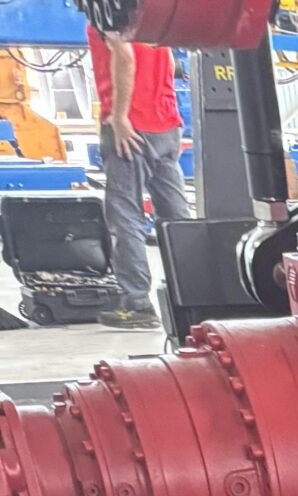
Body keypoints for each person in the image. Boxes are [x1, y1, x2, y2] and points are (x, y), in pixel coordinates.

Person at [86, 26, 191, 327]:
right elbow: (167, 59)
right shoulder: (153, 14)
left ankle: (137, 304)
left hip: (130, 128)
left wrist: (120, 117)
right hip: (166, 123)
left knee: (125, 215)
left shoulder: (108, 13)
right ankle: (194, 292)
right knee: (176, 216)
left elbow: (125, 56)